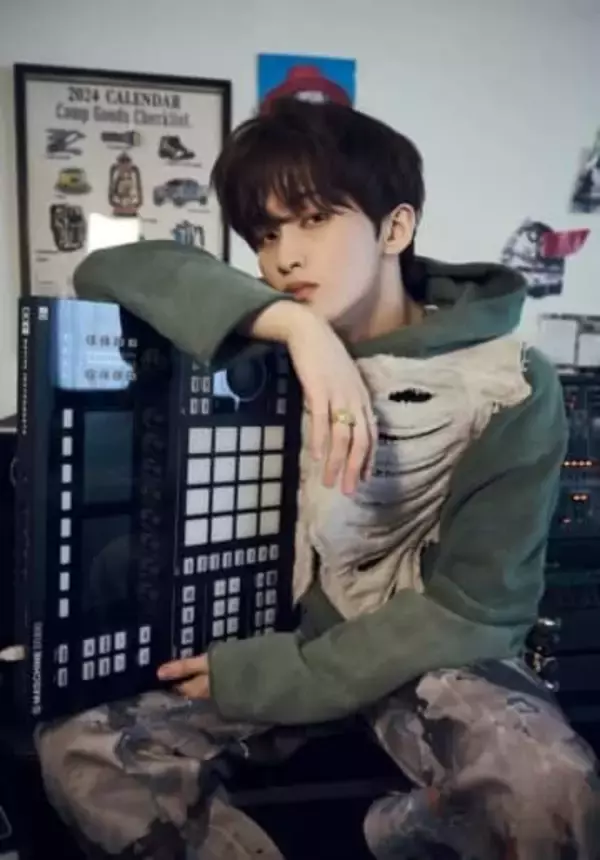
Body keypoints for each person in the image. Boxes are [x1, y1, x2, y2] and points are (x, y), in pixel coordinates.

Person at [36, 99, 599, 859]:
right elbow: (105, 269)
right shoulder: (265, 336)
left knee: (548, 787)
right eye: (266, 235)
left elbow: (478, 605)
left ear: (394, 229)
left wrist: (287, 675)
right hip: (269, 629)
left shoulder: (508, 379)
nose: (284, 257)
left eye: (313, 220)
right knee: (79, 750)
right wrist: (296, 329)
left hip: (425, 655)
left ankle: (399, 834)